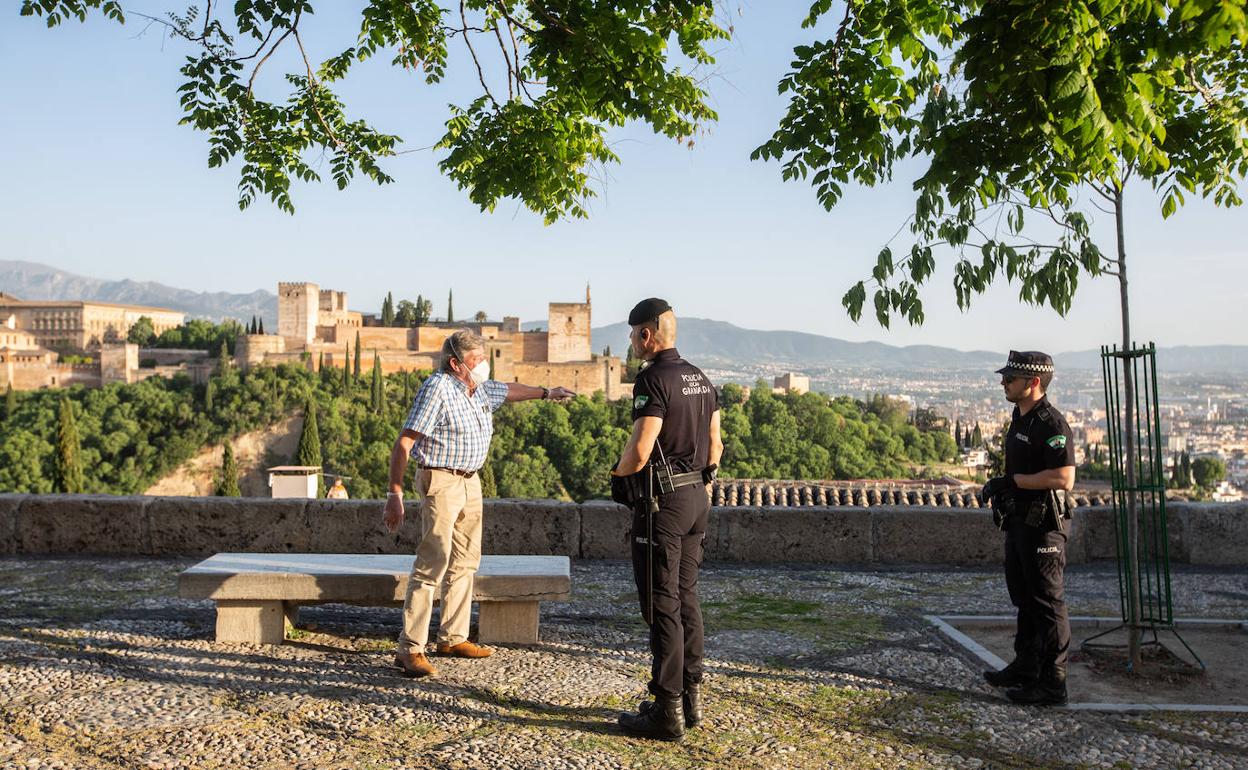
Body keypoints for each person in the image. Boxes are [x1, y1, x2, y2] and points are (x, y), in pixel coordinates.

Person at [383, 329, 574, 678]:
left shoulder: (479, 388)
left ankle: (452, 637)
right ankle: (410, 648)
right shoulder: (438, 388)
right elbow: (404, 443)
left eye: (484, 358)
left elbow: (511, 390)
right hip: (440, 479)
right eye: (476, 360)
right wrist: (394, 494)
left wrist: (548, 393)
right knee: (432, 563)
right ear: (456, 363)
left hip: (471, 480)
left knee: (466, 560)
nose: (483, 365)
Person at [611, 298, 722, 740]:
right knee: (687, 597)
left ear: (646, 335)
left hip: (664, 504)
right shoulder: (701, 377)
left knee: (662, 605)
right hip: (698, 497)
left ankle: (666, 710)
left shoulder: (652, 379)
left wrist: (618, 477)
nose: (632, 341)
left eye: (633, 334)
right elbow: (715, 446)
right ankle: (691, 698)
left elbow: (641, 448)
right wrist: (703, 486)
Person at [980, 350, 1076, 706]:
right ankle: (1026, 665)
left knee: (1048, 603)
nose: (1003, 383)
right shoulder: (1021, 418)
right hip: (1020, 521)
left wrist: (1013, 481)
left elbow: (1064, 477)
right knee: (1025, 597)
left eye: (1010, 379)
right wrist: (1004, 487)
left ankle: (1054, 684)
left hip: (1045, 526)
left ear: (1033, 383)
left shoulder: (1051, 424)